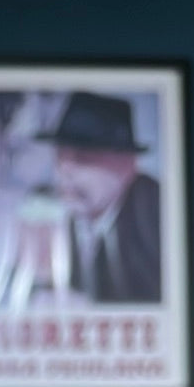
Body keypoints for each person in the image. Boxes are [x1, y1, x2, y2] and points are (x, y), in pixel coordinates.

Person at [36, 91, 161, 304]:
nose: (64, 173)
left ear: (128, 165)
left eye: (83, 158)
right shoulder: (46, 216)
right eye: (59, 157)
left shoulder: (157, 214)